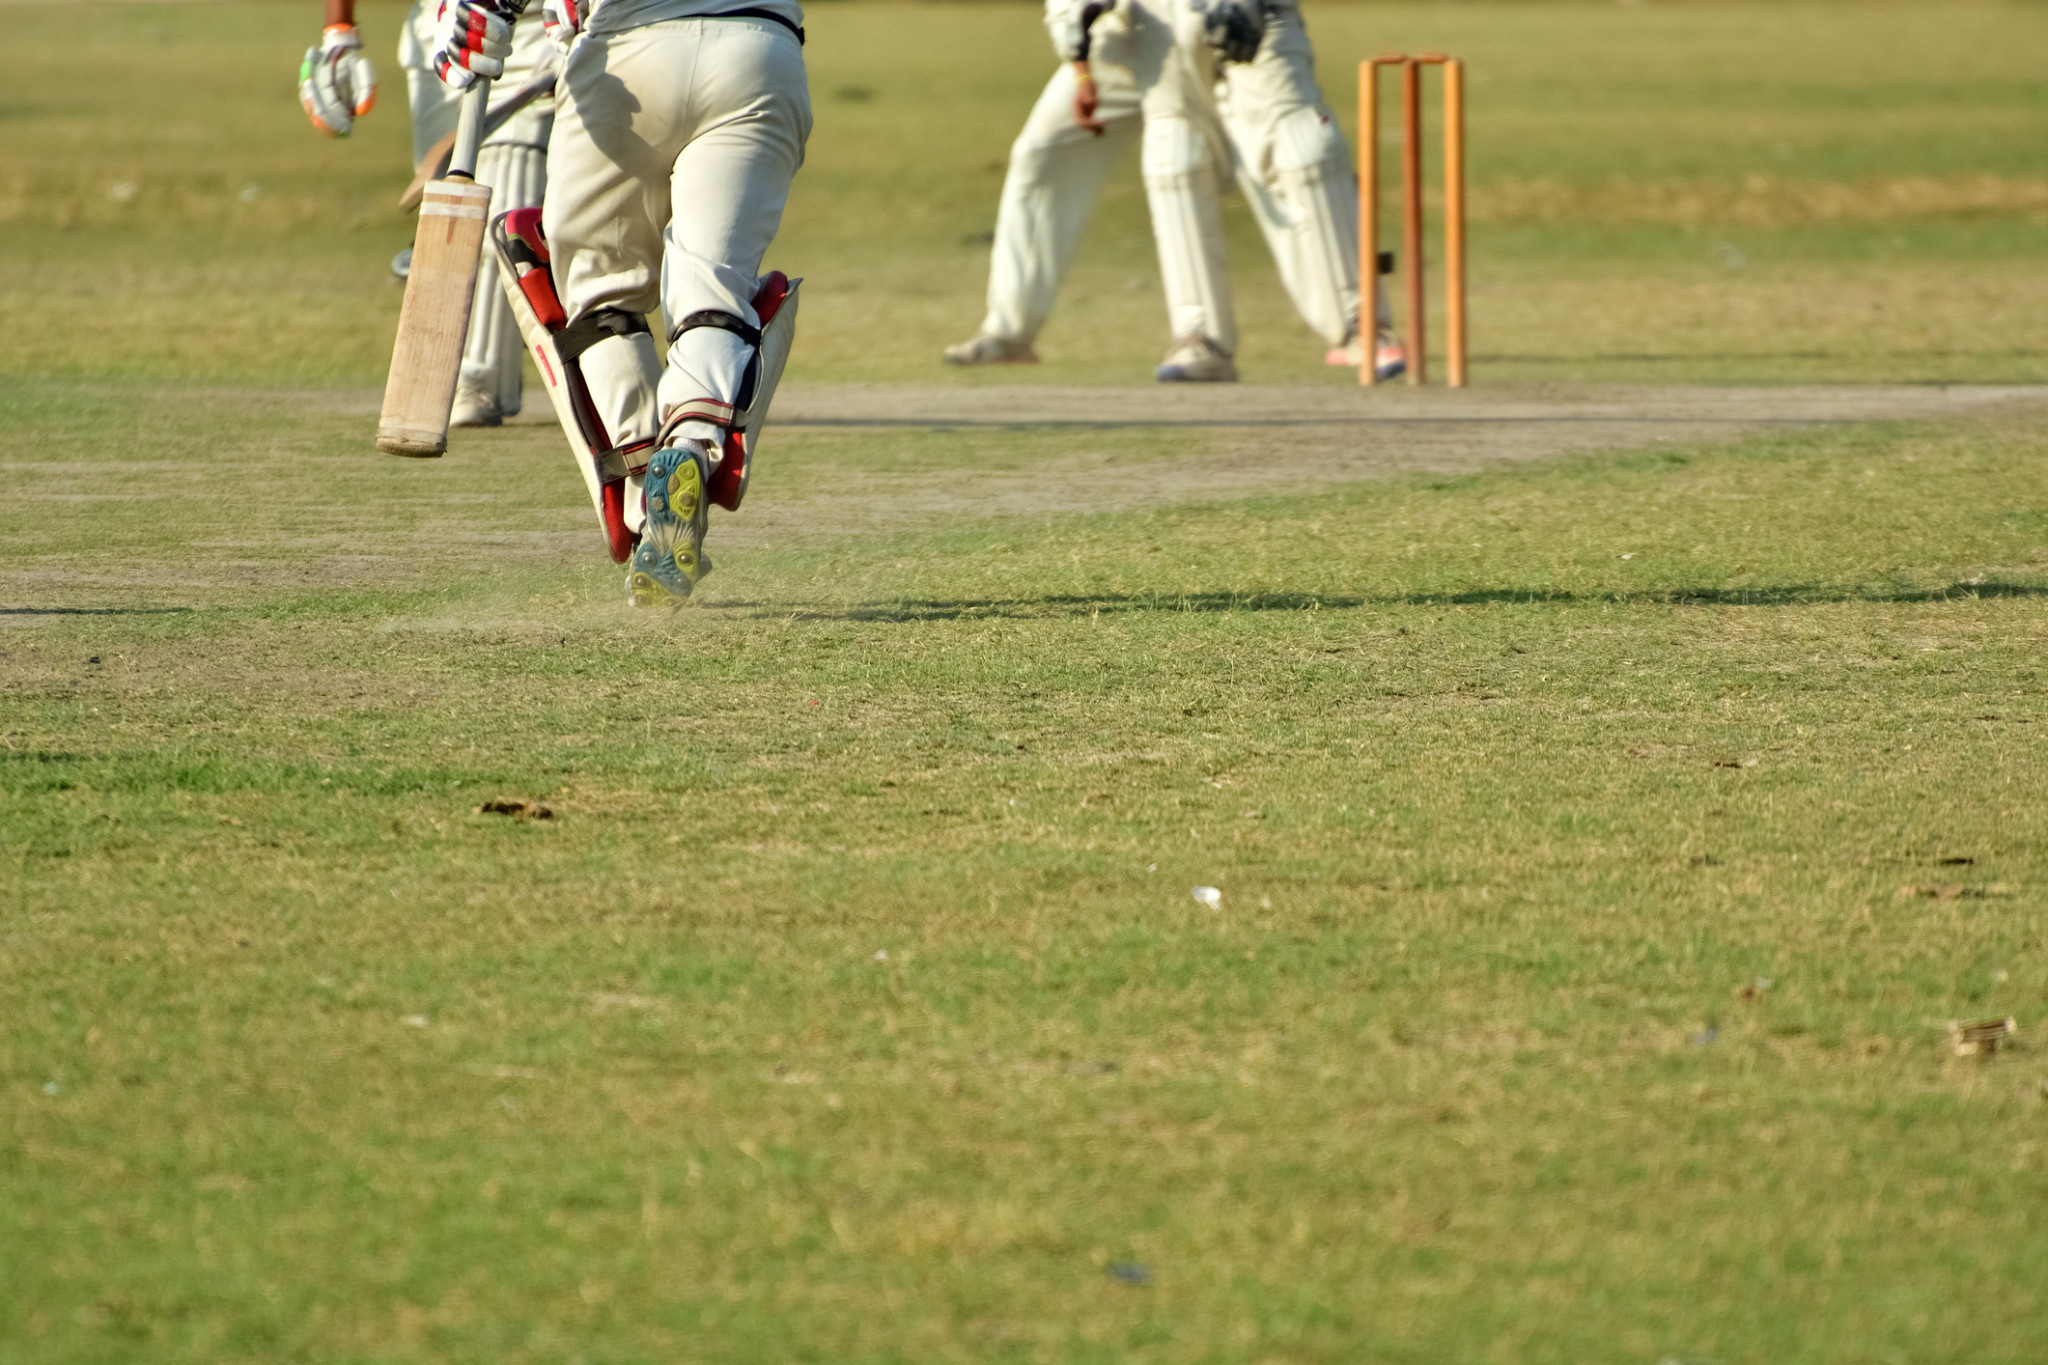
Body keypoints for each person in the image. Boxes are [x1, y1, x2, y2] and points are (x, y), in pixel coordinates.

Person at [432, 0, 810, 608]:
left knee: (599, 294)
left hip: (626, 50)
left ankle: (642, 480)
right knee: (712, 284)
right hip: (759, 49)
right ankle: (686, 445)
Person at [944, 0, 1404, 383]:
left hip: (1252, 18)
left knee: (1304, 150)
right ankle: (1198, 338)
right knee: (1166, 156)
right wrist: (1078, 56)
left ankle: (1362, 327)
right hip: (1143, 24)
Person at [300, 0, 554, 427]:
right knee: (443, 209)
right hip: (435, 25)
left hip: (532, 26)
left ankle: (479, 375)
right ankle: (475, 359)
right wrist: (338, 31)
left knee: (503, 206)